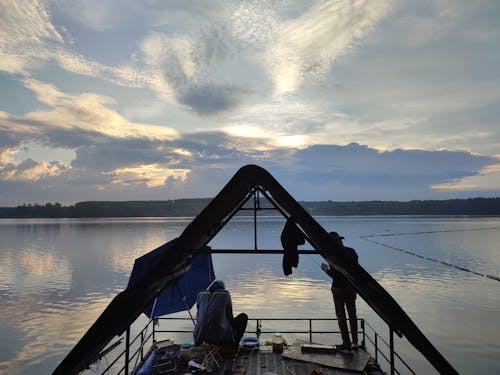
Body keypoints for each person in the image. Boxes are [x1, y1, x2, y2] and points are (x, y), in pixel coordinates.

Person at [321, 232, 359, 353]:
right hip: (351, 288)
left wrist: (325, 269)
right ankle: (355, 343)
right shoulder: (352, 252)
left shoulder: (331, 255)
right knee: (352, 315)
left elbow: (334, 274)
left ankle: (346, 343)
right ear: (341, 241)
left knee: (341, 317)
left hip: (337, 289)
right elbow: (355, 270)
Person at [193, 279, 248, 349]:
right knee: (243, 317)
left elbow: (198, 315)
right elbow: (229, 316)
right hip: (220, 335)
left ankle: (217, 347)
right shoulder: (225, 294)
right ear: (222, 288)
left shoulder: (200, 294)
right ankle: (234, 346)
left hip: (201, 335)